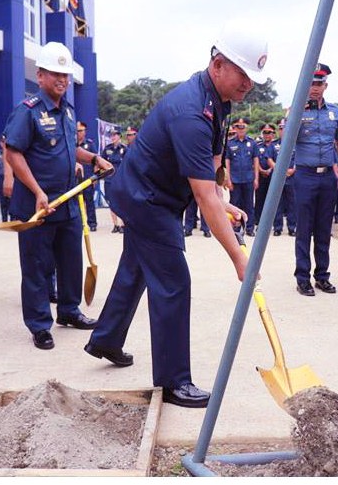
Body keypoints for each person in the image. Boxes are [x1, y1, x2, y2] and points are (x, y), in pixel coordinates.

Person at [85, 23, 262, 409]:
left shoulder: (219, 101)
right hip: (145, 199)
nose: (248, 84)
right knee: (173, 281)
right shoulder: (190, 112)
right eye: (244, 75)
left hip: (155, 194)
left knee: (135, 270)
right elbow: (202, 195)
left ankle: (105, 339)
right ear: (218, 64)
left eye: (253, 78)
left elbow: (211, 173)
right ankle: (173, 381)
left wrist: (224, 200)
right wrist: (238, 257)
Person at [3, 42, 110, 348]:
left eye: (65, 74)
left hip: (67, 201)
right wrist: (37, 191)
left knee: (70, 258)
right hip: (37, 206)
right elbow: (14, 153)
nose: (61, 80)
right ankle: (39, 324)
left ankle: (68, 310)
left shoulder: (67, 111)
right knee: (37, 265)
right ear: (40, 76)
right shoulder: (28, 112)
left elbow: (66, 149)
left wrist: (91, 158)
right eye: (55, 74)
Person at [292, 63, 338, 295]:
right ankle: (302, 277)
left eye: (319, 84)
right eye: (311, 84)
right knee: (304, 228)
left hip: (328, 176)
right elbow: (286, 139)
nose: (315, 89)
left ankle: (322, 276)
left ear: (325, 86)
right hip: (304, 175)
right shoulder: (297, 111)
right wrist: (294, 113)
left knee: (324, 228)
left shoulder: (334, 112)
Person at [254, 123, 279, 233]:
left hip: (274, 177)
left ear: (274, 133)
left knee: (274, 201)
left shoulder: (278, 146)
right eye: (265, 132)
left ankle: (275, 224)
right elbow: (254, 160)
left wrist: (270, 170)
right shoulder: (257, 146)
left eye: (269, 132)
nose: (267, 134)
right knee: (260, 200)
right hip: (261, 176)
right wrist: (261, 170)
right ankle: (259, 223)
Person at [75, 121, 98, 230]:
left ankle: (92, 223)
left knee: (89, 201)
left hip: (88, 178)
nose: (79, 133)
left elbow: (95, 161)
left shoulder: (89, 144)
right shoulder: (72, 143)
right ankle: (80, 223)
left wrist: (95, 177)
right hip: (75, 179)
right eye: (77, 131)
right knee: (77, 203)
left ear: (85, 131)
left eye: (81, 131)